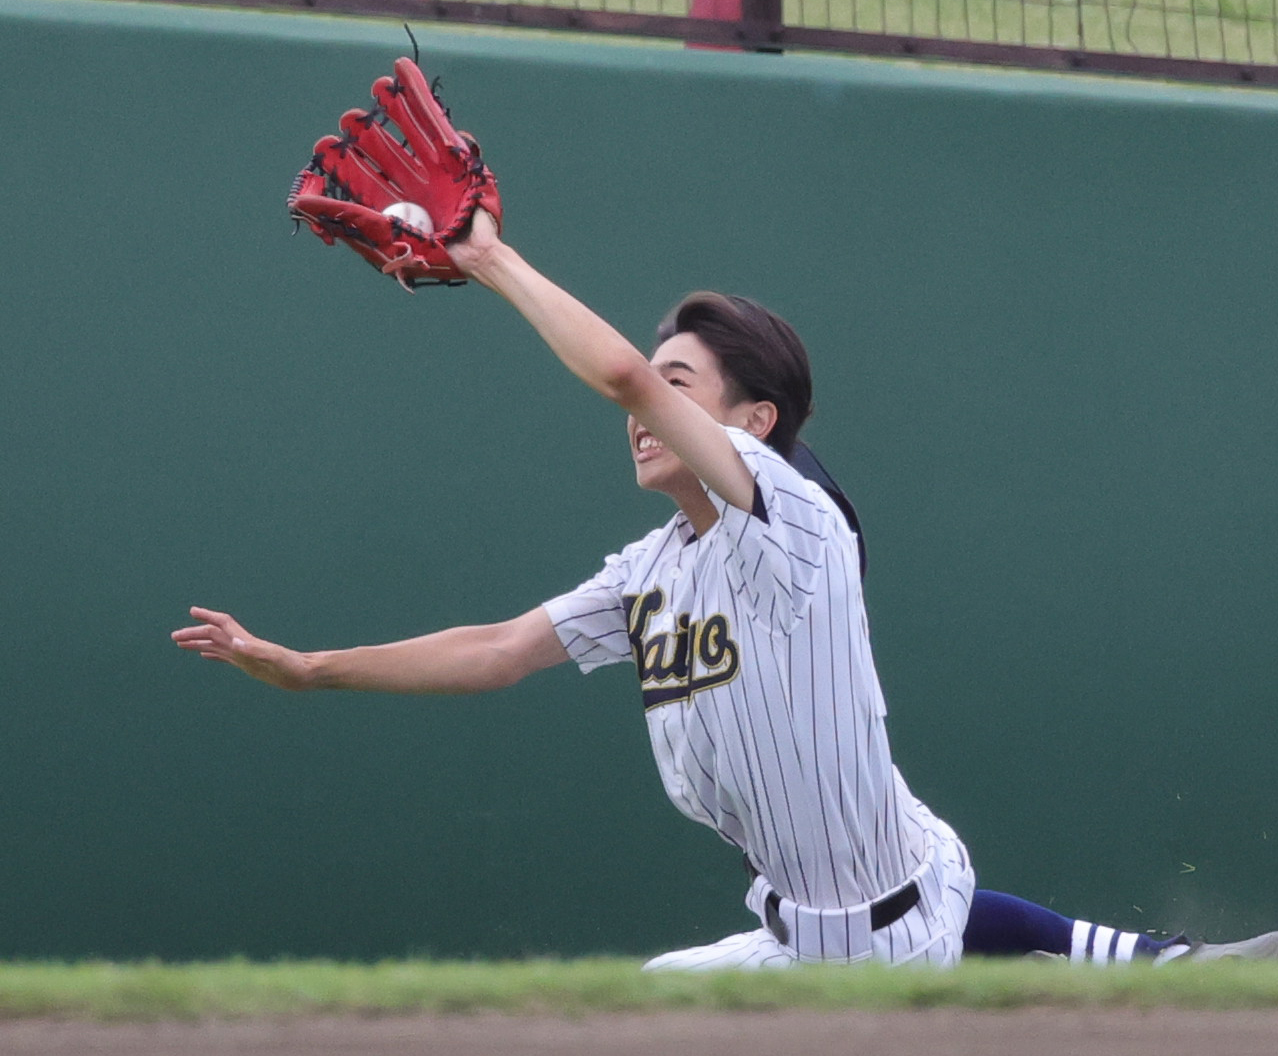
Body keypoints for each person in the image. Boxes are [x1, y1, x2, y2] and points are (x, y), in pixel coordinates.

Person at [172, 211, 1275, 968]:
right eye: (662, 384)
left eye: (680, 387)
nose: (644, 412)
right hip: (856, 902)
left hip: (870, 948)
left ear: (749, 424)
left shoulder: (790, 521)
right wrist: (306, 669)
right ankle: (1148, 964)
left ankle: (1136, 974)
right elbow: (498, 650)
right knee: (667, 992)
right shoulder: (655, 565)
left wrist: (491, 261)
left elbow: (618, 376)